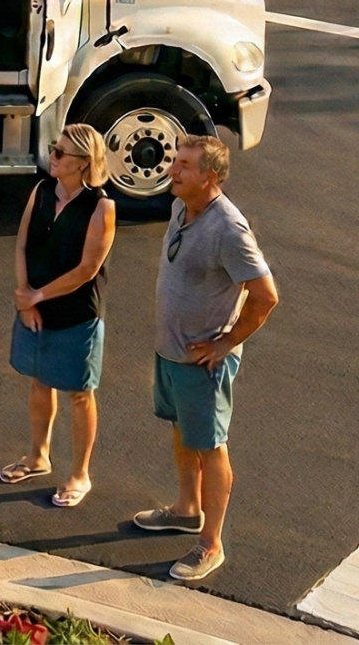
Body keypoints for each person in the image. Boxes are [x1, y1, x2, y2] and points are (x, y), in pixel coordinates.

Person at [130, 135, 279, 583]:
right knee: (183, 430)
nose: (172, 169)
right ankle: (186, 509)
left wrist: (225, 343)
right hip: (172, 352)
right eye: (175, 161)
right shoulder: (181, 207)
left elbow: (265, 296)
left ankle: (211, 544)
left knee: (211, 447)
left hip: (203, 362)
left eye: (184, 165)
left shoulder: (229, 229)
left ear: (209, 177)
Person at [0, 125, 117, 508]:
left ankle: (80, 474)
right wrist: (25, 297)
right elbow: (22, 243)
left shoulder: (101, 208)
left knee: (80, 394)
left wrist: (37, 295)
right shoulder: (42, 191)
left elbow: (87, 269)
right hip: (35, 306)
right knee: (39, 380)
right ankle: (38, 456)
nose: (53, 156)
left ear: (83, 163)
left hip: (77, 314)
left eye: (61, 152)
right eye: (54, 148)